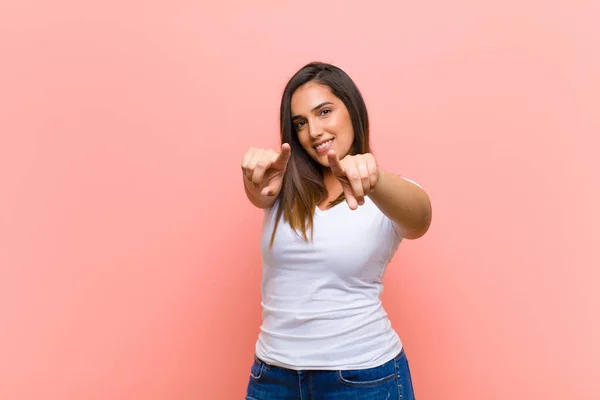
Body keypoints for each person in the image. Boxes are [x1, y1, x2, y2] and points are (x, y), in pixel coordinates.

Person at [240, 62, 432, 400]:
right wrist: (252, 178)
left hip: (364, 379)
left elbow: (420, 219)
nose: (313, 131)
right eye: (301, 122)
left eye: (324, 112)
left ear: (352, 110)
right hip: (273, 377)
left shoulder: (386, 194)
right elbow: (259, 194)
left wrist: (374, 179)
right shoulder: (283, 186)